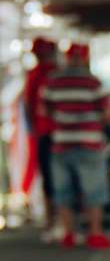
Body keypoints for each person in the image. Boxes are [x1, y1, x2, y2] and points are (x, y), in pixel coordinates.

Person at [42, 40, 110, 250]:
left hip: (61, 142)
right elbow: (108, 112)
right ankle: (95, 233)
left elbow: (45, 109)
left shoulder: (53, 81)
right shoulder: (93, 82)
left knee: (63, 190)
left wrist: (63, 119)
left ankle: (69, 233)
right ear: (85, 58)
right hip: (89, 142)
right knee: (94, 189)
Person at [21, 36, 58, 236]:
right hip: (53, 133)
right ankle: (56, 219)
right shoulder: (53, 73)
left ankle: (54, 220)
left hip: (47, 133)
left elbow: (28, 106)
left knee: (51, 178)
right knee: (55, 178)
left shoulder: (37, 74)